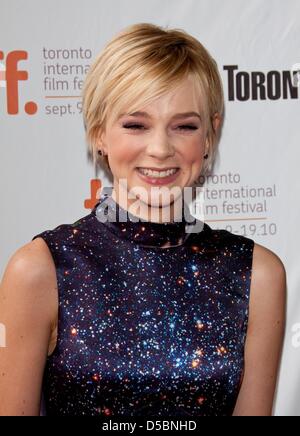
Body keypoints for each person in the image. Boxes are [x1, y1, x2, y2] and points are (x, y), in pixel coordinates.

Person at [0, 22, 286, 416]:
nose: (160, 149)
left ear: (209, 136)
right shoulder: (40, 269)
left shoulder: (257, 273)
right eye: (136, 125)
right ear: (99, 132)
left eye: (184, 126)